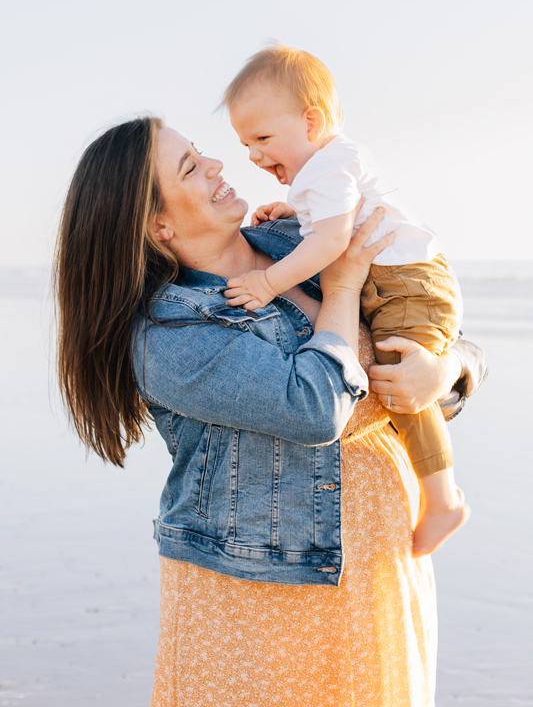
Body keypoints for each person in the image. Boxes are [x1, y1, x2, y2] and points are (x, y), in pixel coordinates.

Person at [54, 116, 487, 707]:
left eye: (202, 153)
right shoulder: (171, 332)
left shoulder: (302, 240)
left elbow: (426, 319)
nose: (217, 166)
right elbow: (315, 408)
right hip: (258, 587)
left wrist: (447, 371)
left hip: (380, 556)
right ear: (157, 225)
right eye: (190, 167)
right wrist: (340, 290)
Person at [222, 42, 469, 556]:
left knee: (402, 380)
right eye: (246, 144)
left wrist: (268, 283)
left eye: (263, 138)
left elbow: (332, 242)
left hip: (406, 282)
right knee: (394, 379)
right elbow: (326, 224)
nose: (254, 155)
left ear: (311, 122)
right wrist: (291, 215)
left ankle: (444, 498)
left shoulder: (331, 166)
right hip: (396, 280)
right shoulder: (325, 168)